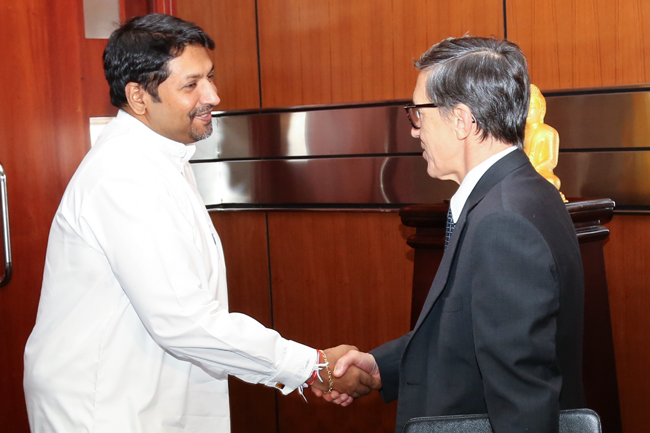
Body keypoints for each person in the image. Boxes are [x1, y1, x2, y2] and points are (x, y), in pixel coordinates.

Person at [23, 14, 376, 433]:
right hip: (105, 407)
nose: (213, 94)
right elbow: (183, 320)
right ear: (139, 97)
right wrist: (313, 366)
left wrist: (308, 367)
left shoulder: (164, 157)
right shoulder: (124, 176)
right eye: (191, 85)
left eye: (210, 77)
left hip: (147, 397)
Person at [317, 36, 586, 433]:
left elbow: (522, 398)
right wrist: (379, 366)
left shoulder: (503, 223)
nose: (414, 130)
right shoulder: (524, 191)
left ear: (461, 120)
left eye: (418, 114)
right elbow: (463, 331)